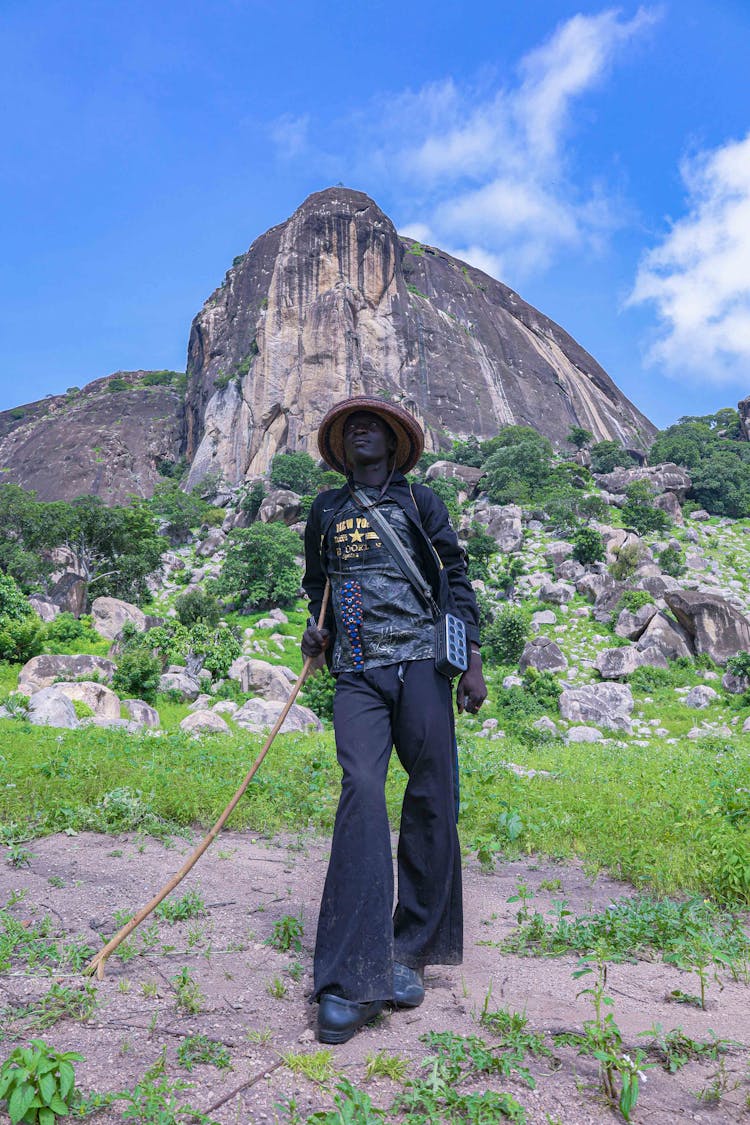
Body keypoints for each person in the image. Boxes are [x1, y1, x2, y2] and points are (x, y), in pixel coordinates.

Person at [301, 396, 487, 1044]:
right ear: (342, 446)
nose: (360, 431)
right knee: (359, 789)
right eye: (350, 425)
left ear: (391, 440)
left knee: (434, 792)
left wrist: (471, 664)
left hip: (420, 665)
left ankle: (410, 948)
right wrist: (313, 634)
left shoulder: (421, 504)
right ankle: (353, 976)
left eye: (370, 423)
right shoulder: (325, 510)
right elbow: (315, 584)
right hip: (356, 674)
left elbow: (453, 581)